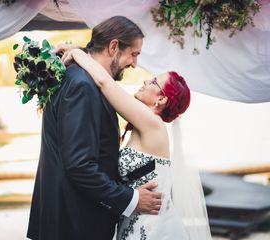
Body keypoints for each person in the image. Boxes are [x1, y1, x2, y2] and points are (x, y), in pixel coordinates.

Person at [27, 16, 162, 240]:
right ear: (113, 46)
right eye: (134, 54)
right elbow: (80, 165)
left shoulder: (75, 75)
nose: (134, 64)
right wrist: (132, 198)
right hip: (74, 225)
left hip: (65, 221)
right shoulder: (82, 85)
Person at [61, 47, 213, 239]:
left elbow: (103, 82)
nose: (145, 81)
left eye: (153, 81)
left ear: (161, 98)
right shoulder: (146, 124)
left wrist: (78, 53)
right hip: (136, 219)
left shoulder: (153, 124)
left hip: (152, 228)